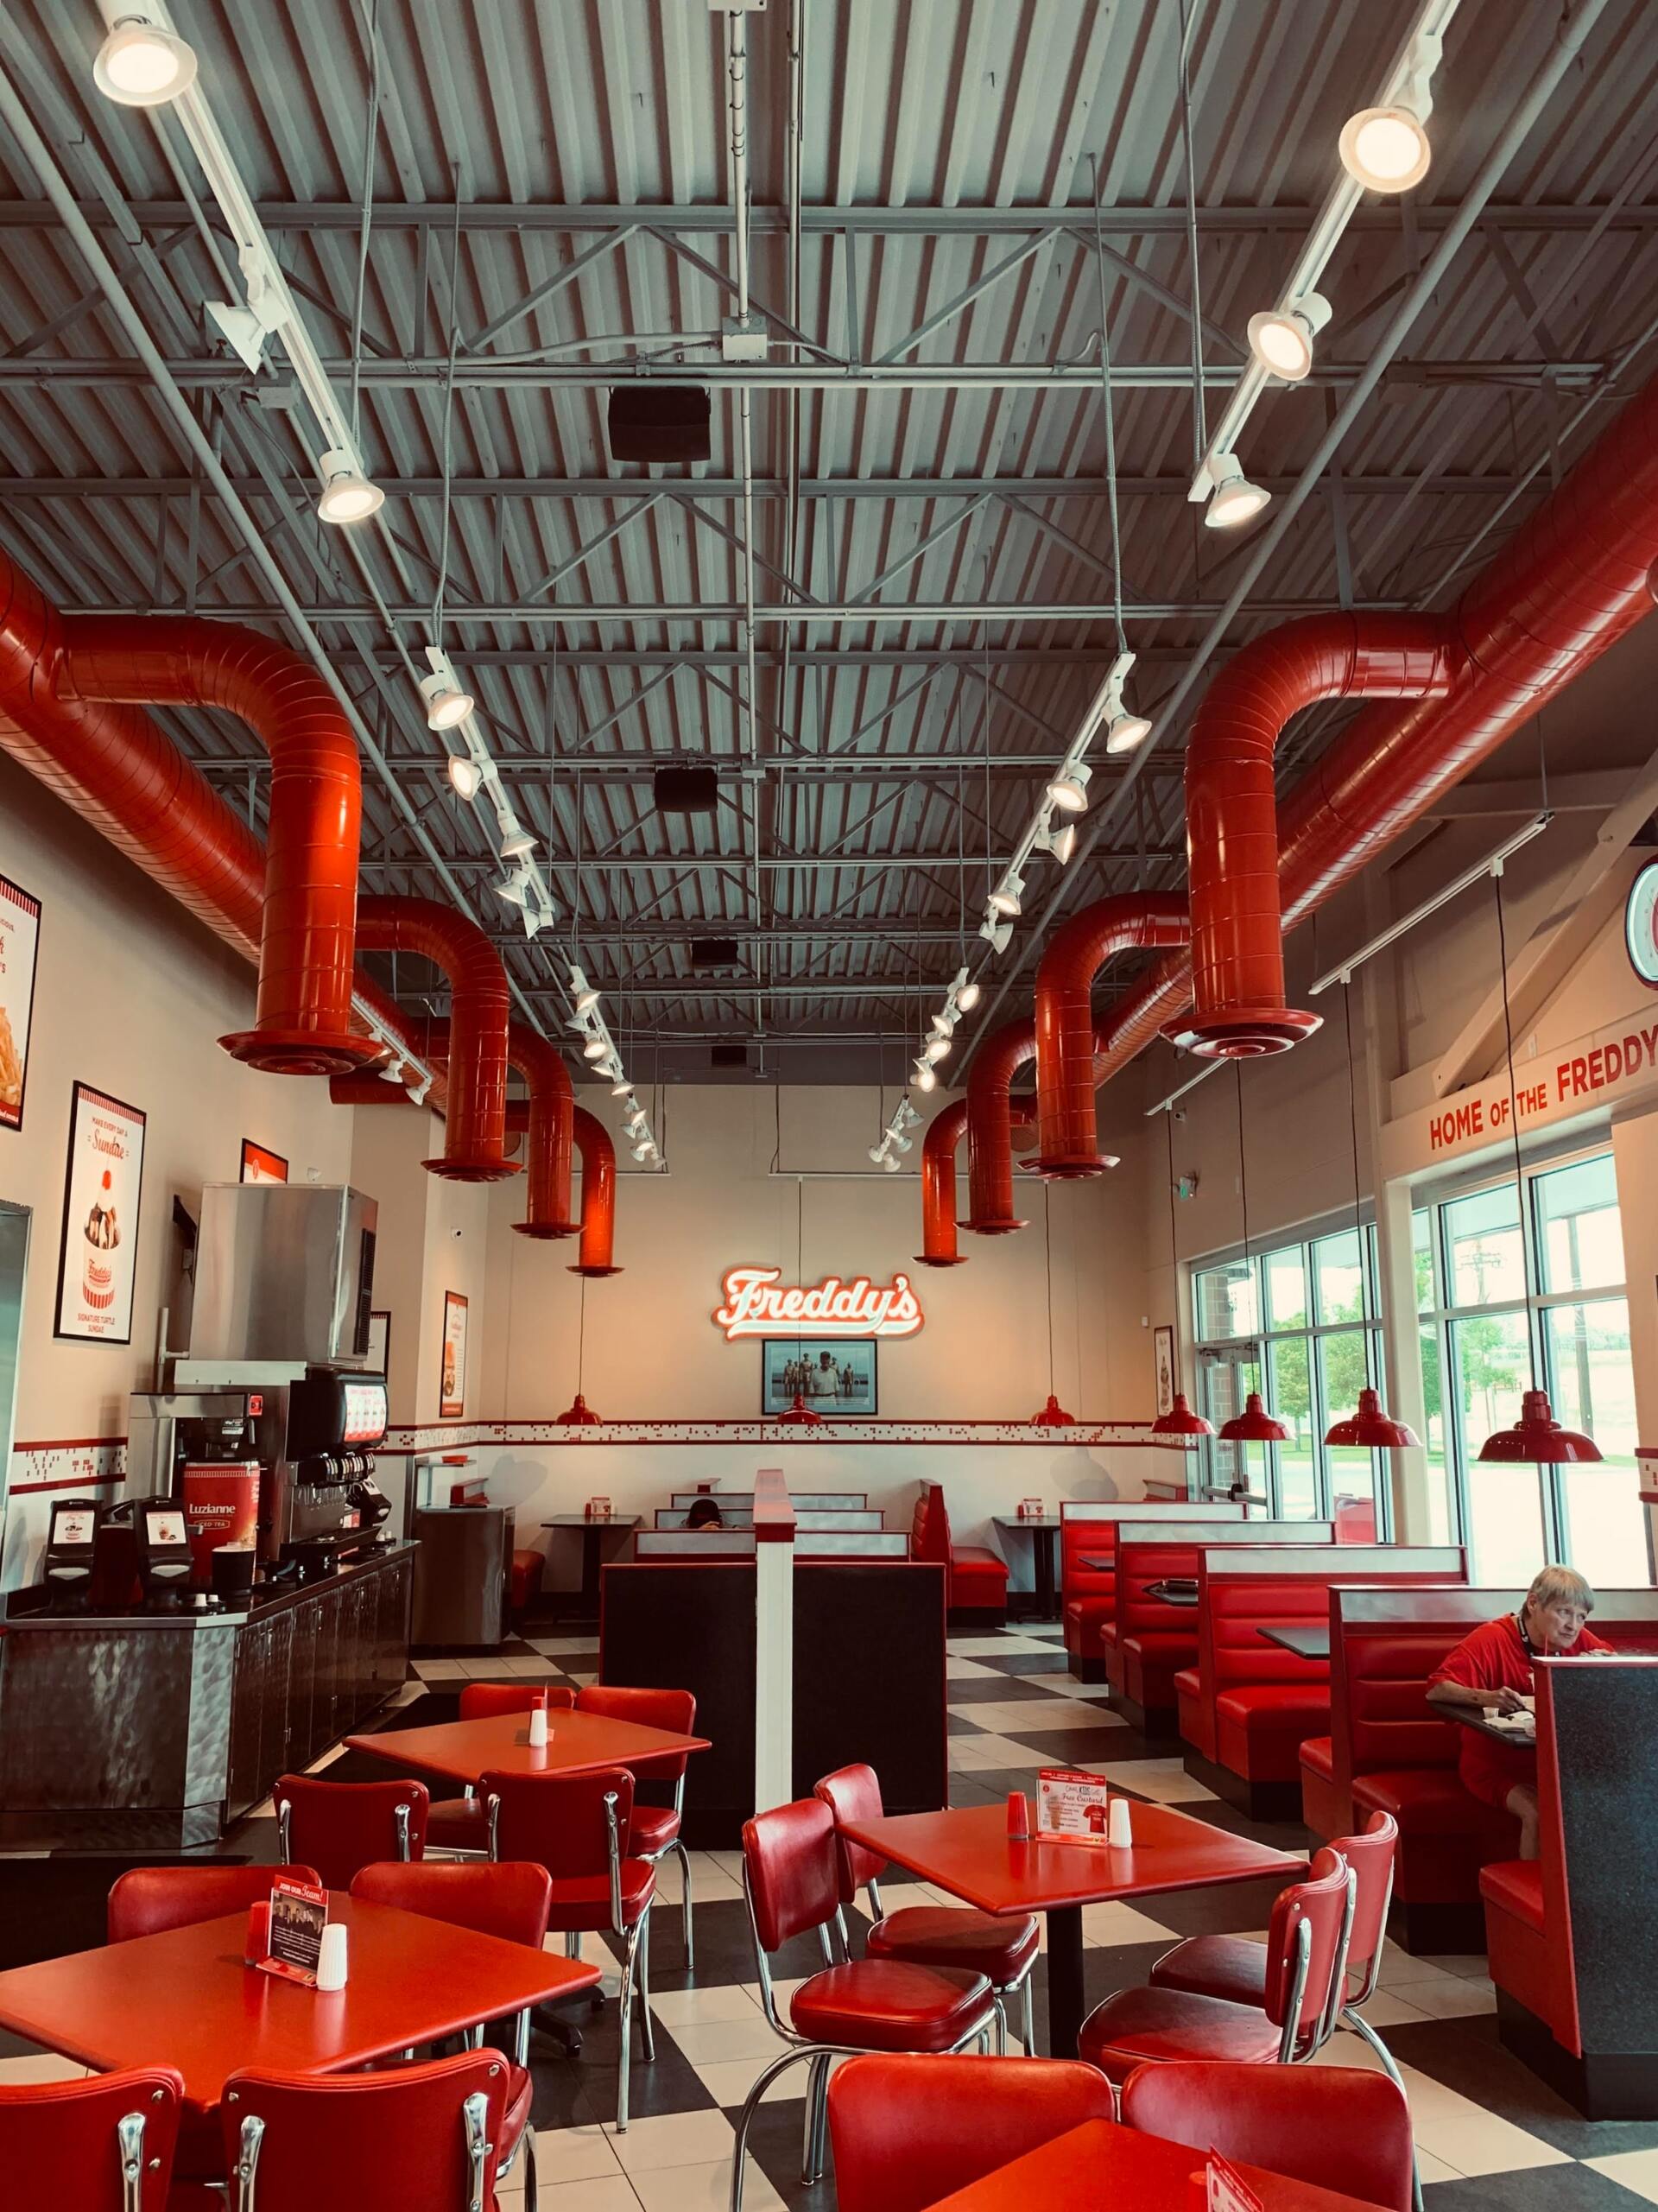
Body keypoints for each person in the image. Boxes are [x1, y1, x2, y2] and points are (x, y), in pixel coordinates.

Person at [1426, 1564, 1611, 1859]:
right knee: (1537, 1811)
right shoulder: (1491, 1638)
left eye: (1582, 1617)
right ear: (1533, 1603)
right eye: (1564, 1612)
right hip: (1494, 1764)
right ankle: (1529, 1889)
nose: (1573, 1626)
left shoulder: (1579, 1640)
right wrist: (1488, 1697)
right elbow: (1437, 1689)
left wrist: (1605, 1668)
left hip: (1557, 1764)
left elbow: (1621, 1674)